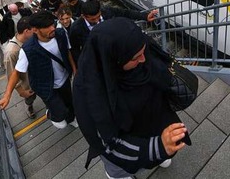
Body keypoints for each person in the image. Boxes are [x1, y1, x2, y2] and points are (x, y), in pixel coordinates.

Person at [73, 18, 190, 177]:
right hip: (127, 145)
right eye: (136, 57)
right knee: (121, 171)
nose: (144, 59)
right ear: (114, 59)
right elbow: (106, 140)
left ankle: (159, 157)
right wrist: (156, 147)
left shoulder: (136, 52)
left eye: (144, 51)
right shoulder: (90, 92)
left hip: (155, 122)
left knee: (164, 155)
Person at [0, 10, 78, 129]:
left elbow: (67, 52)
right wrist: (7, 95)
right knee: (60, 116)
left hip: (64, 79)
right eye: (47, 27)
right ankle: (51, 114)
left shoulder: (61, 34)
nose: (52, 28)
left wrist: (74, 71)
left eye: (53, 24)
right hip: (45, 86)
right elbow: (16, 71)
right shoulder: (28, 49)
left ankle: (71, 118)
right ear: (35, 30)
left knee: (70, 103)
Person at [68, 0, 158, 63]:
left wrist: (145, 16)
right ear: (84, 16)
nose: (96, 21)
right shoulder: (76, 29)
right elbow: (75, 50)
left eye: (98, 17)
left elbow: (125, 13)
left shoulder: (107, 12)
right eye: (92, 20)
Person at [3, 17, 37, 119]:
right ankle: (29, 106)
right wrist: (21, 91)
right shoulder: (12, 51)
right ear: (26, 31)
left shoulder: (30, 39)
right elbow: (11, 73)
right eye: (34, 30)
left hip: (37, 75)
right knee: (31, 96)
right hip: (27, 81)